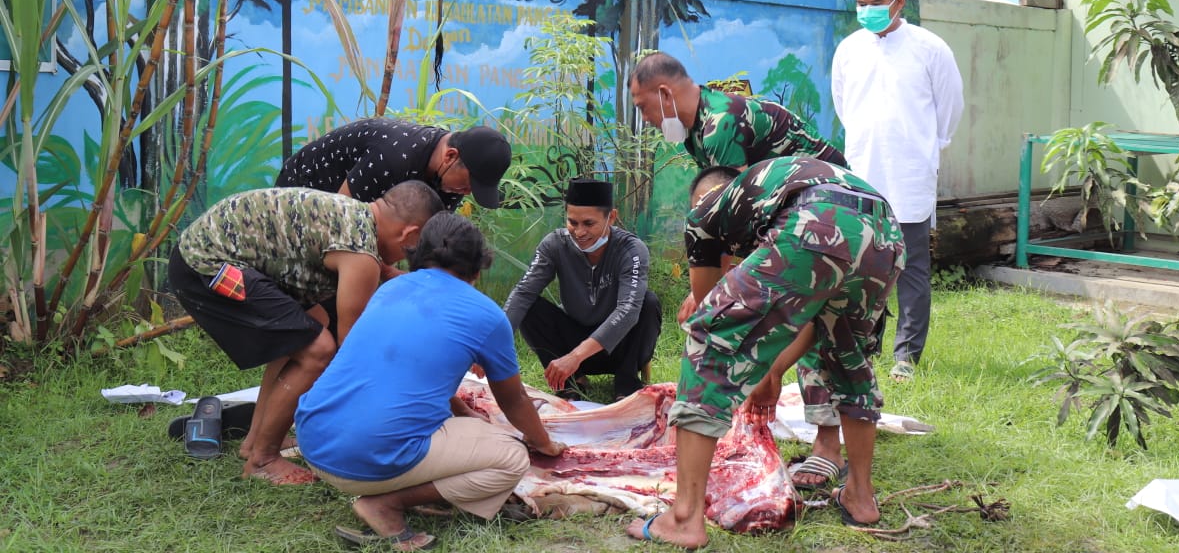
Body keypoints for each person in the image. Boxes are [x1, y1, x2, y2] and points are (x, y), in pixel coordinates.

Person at [624, 158, 905, 548]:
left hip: (818, 220)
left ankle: (684, 517)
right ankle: (860, 497)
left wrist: (755, 372)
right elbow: (814, 317)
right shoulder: (770, 201)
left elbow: (717, 326)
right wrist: (771, 372)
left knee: (708, 341)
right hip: (884, 229)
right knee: (847, 356)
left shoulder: (703, 217)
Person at [295, 213, 566, 551]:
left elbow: (410, 370)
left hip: (314, 440)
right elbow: (514, 401)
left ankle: (393, 488)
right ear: (478, 268)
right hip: (365, 459)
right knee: (511, 456)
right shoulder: (486, 314)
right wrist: (544, 443)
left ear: (418, 254)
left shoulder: (390, 288)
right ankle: (386, 503)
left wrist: (465, 412)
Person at [165, 181, 444, 485]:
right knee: (318, 349)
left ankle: (256, 442)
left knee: (312, 325)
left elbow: (381, 273)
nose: (406, 258)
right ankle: (263, 460)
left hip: (202, 251)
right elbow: (353, 345)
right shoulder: (360, 251)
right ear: (409, 235)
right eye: (412, 251)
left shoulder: (356, 217)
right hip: (208, 267)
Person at [833, 0, 963, 383]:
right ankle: (865, 345)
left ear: (898, 1)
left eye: (875, 4)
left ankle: (906, 355)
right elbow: (842, 105)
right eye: (861, 4)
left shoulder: (930, 48)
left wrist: (926, 150)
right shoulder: (849, 49)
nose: (867, 11)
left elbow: (950, 109)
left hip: (909, 174)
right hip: (861, 175)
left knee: (910, 268)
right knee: (863, 268)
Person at [503, 178, 661, 400]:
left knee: (648, 302)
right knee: (529, 305)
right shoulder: (554, 244)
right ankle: (570, 382)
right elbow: (523, 292)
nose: (579, 232)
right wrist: (493, 342)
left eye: (589, 223)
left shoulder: (632, 249)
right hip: (573, 342)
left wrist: (575, 356)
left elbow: (628, 311)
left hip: (620, 348)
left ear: (611, 217)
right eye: (572, 222)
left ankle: (626, 382)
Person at [627, 52, 846, 170]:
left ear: (665, 94)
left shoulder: (720, 123)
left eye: (643, 107)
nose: (645, 118)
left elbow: (733, 210)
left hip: (833, 194)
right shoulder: (695, 129)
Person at [276, 118, 512, 210]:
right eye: (469, 184)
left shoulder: (449, 177)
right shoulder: (393, 157)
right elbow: (341, 217)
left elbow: (430, 243)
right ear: (450, 156)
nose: (467, 192)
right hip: (304, 189)